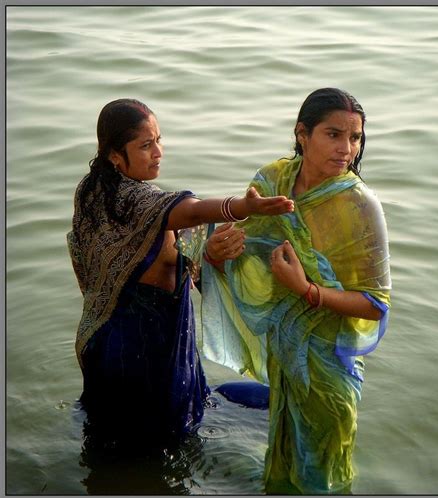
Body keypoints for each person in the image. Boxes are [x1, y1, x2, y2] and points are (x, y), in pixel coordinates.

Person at [66, 98, 294, 449]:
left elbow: (176, 253)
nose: (158, 152)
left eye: (159, 140)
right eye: (145, 145)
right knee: (165, 447)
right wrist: (243, 207)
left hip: (102, 348)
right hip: (145, 366)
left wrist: (210, 253)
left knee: (112, 445)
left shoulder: (91, 191)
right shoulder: (141, 203)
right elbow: (191, 213)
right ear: (115, 156)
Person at [201, 88, 391, 494]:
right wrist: (216, 252)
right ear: (302, 134)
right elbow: (247, 255)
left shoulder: (360, 207)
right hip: (285, 355)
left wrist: (307, 290)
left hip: (329, 367)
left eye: (355, 138)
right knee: (284, 469)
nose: (347, 149)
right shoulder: (272, 181)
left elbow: (375, 305)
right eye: (333, 134)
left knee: (321, 478)